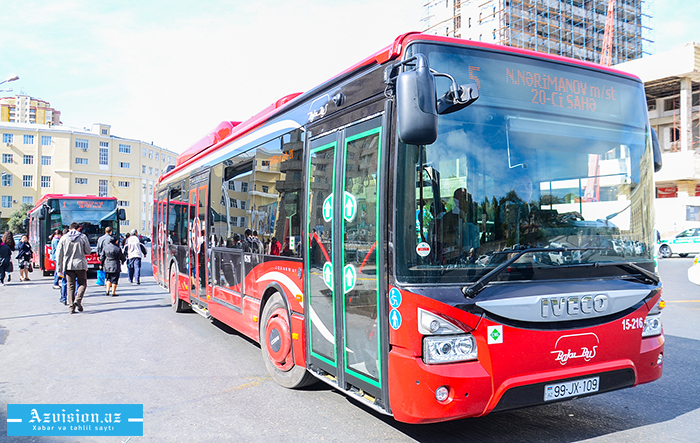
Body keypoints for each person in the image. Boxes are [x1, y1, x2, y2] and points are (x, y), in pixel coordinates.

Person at [55, 222, 91, 314]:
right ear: (78, 228)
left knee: (70, 286)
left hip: (68, 265)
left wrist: (59, 269)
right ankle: (78, 300)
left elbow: (59, 254)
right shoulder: (83, 237)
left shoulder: (63, 238)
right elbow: (88, 251)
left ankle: (71, 307)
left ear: (70, 229)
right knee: (82, 283)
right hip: (80, 264)